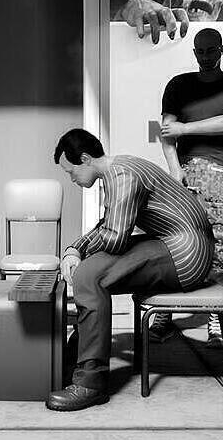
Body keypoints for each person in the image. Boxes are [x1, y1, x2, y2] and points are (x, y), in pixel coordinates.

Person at [48, 129, 214, 412]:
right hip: (178, 243)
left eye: (71, 171)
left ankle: (90, 382)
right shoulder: (119, 169)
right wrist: (75, 249)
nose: (72, 179)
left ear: (85, 159)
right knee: (91, 270)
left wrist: (77, 253)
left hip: (186, 253)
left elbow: (114, 237)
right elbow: (109, 226)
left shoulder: (122, 176)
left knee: (89, 275)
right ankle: (78, 354)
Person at [158, 28, 223, 344]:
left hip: (218, 172)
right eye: (200, 51)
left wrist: (185, 128)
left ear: (221, 50)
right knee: (173, 241)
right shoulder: (178, 84)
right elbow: (167, 133)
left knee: (220, 245)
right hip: (183, 172)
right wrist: (175, 171)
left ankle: (215, 314)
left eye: (211, 50)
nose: (205, 56)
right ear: (195, 52)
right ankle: (163, 313)